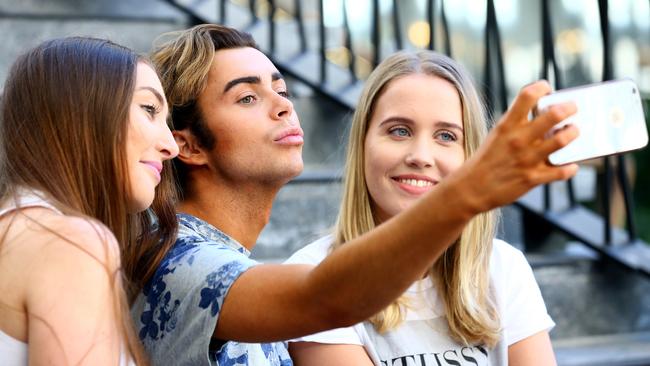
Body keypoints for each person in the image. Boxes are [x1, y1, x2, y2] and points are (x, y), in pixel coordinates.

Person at [130, 24, 577, 366]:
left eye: (281, 89)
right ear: (186, 144)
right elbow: (327, 298)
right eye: (247, 97)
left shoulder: (216, 258)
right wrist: (472, 189)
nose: (285, 105)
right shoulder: (178, 262)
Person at [285, 50, 557, 366]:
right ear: (362, 144)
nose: (421, 155)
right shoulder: (310, 275)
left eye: (446, 136)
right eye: (399, 130)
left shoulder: (503, 268)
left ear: (471, 155)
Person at [0, 37, 179, 365]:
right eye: (149, 109)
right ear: (80, 112)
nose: (172, 147)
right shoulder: (68, 241)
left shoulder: (23, 232)